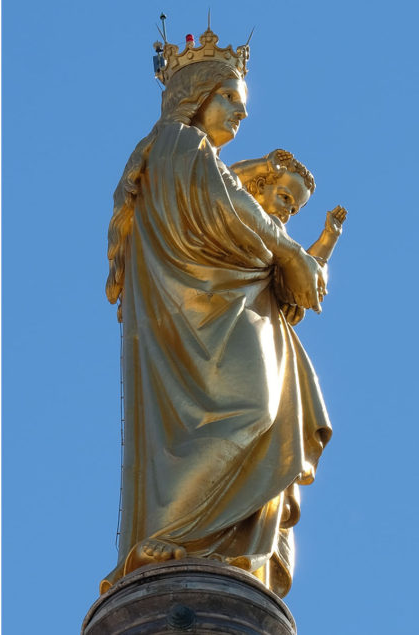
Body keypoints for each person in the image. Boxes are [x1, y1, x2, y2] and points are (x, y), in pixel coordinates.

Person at [102, 29, 332, 598]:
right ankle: (178, 533)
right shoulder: (176, 144)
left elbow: (239, 211)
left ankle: (229, 549)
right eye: (229, 98)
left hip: (238, 316)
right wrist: (287, 251)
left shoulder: (199, 158)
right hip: (202, 327)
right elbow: (226, 216)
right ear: (195, 95)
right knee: (251, 412)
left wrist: (293, 253)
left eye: (242, 105)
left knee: (270, 417)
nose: (238, 114)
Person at [230, 150, 347, 324]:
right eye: (285, 198)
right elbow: (225, 180)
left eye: (293, 210)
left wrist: (328, 238)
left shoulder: (279, 235)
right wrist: (263, 166)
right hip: (223, 293)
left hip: (255, 311)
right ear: (261, 185)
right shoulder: (234, 208)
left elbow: (307, 275)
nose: (287, 211)